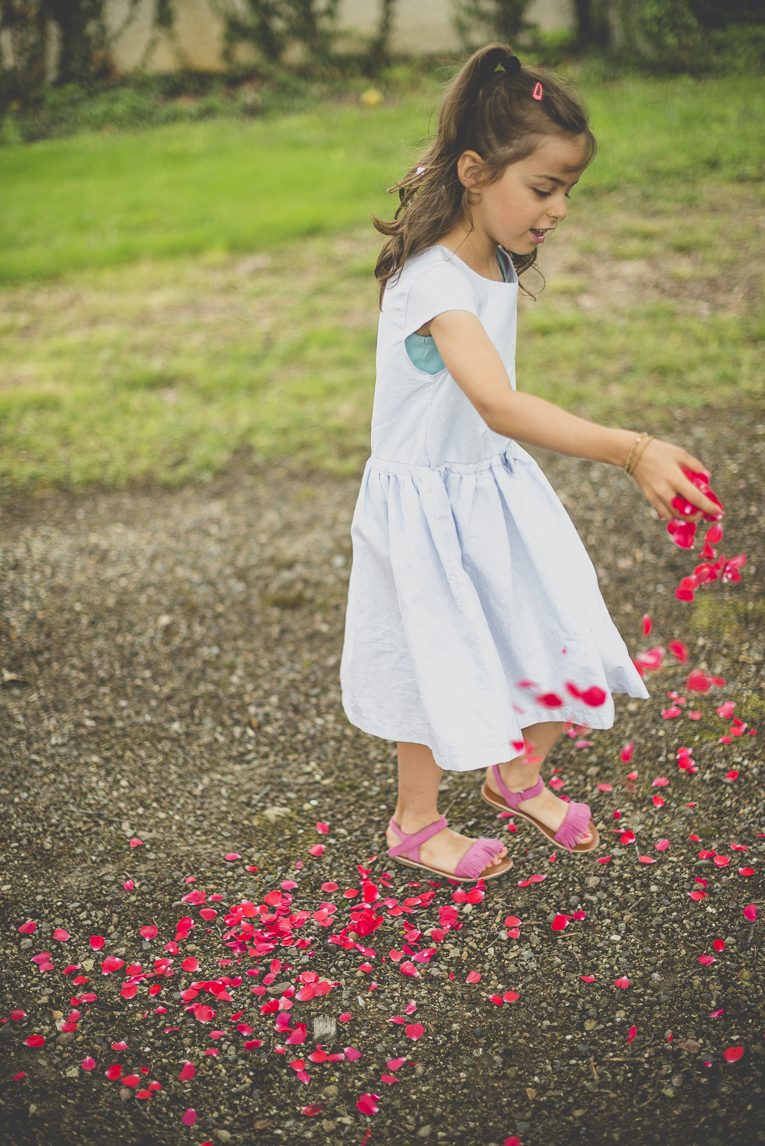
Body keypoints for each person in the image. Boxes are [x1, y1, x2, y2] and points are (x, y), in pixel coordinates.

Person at [339, 44, 721, 883]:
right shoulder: (430, 282)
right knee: (435, 651)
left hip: (488, 482)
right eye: (541, 189)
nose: (554, 210)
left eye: (565, 193)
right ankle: (414, 819)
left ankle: (515, 774)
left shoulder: (496, 258)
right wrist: (632, 448)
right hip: (426, 500)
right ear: (474, 172)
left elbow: (494, 417)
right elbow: (497, 401)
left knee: (562, 620)